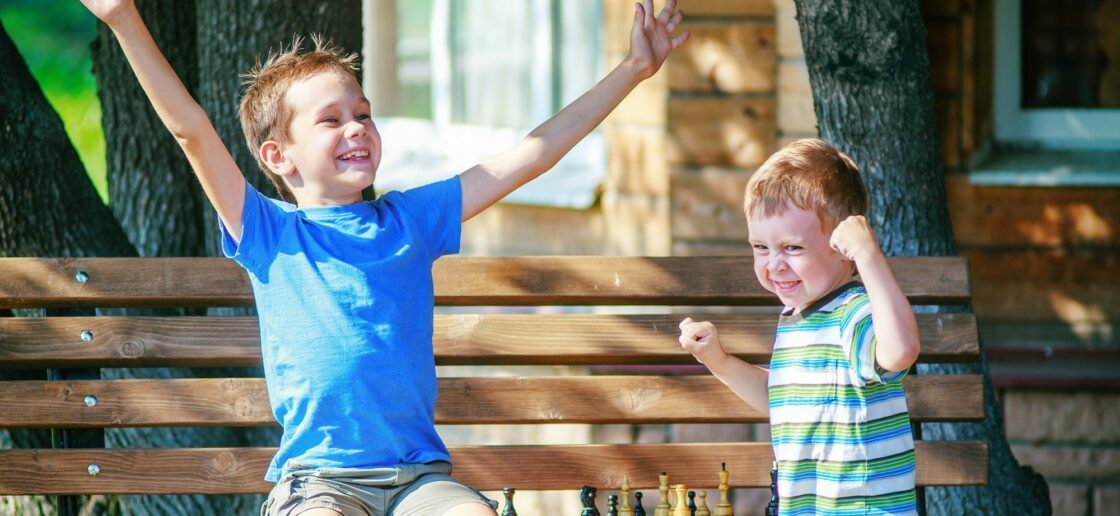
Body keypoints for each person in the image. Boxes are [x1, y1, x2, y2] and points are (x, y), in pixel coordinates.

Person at [79, 0, 688, 514]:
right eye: (331, 120)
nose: (357, 129)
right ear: (277, 157)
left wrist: (633, 69)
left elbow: (531, 156)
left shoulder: (411, 221)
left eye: (364, 115)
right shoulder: (266, 228)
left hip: (418, 481)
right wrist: (124, 18)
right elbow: (190, 130)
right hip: (319, 484)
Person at [678, 139, 922, 515]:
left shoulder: (852, 314)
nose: (774, 264)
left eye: (792, 248)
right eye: (761, 247)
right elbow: (782, 398)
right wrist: (719, 360)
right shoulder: (796, 320)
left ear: (842, 246)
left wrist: (869, 256)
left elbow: (900, 350)